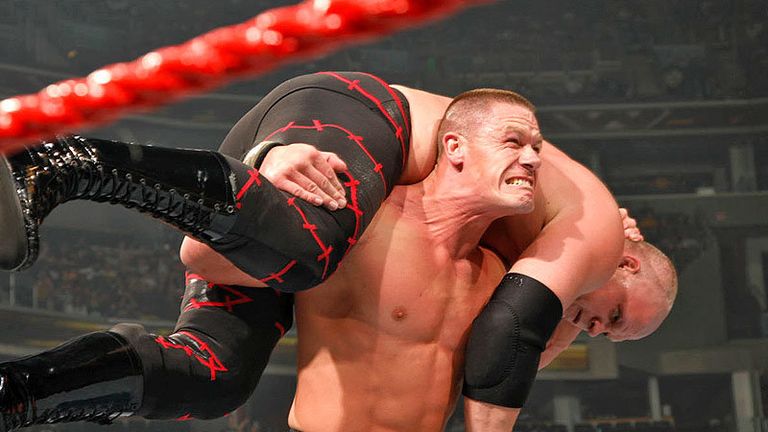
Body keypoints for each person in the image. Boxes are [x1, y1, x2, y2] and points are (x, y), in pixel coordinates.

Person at [0, 72, 676, 431]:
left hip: (278, 207)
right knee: (310, 250)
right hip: (355, 114)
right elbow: (511, 336)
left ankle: (18, 394)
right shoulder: (592, 232)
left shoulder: (507, 252)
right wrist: (272, 158)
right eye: (615, 315)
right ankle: (64, 163)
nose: (597, 329)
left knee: (214, 377)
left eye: (608, 335)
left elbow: (511, 351)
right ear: (624, 258)